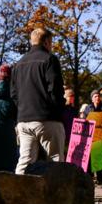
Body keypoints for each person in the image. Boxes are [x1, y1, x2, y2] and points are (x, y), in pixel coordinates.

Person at [11, 28, 66, 174]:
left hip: (24, 119)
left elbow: (13, 93)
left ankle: (17, 193)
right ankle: (54, 195)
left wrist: (22, 109)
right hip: (47, 118)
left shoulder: (18, 64)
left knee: (25, 161)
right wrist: (59, 110)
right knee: (55, 160)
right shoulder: (50, 59)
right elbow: (55, 90)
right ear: (47, 41)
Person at [80, 90, 102, 183]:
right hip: (91, 137)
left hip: (101, 136)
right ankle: (89, 178)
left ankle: (100, 178)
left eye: (98, 96)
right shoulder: (88, 109)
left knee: (99, 157)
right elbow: (84, 121)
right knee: (89, 159)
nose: (97, 98)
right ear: (92, 98)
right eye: (95, 96)